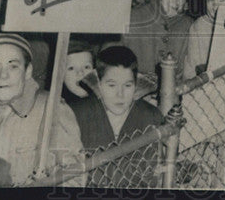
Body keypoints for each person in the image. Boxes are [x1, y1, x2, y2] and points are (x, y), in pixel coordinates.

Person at [0, 33, 84, 185]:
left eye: (13, 66)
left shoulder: (50, 109)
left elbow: (74, 178)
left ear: (28, 71)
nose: (3, 75)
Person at [68, 45, 165, 187]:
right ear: (98, 84)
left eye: (127, 85)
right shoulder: (77, 114)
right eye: (112, 85)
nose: (120, 95)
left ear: (135, 85)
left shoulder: (151, 117)